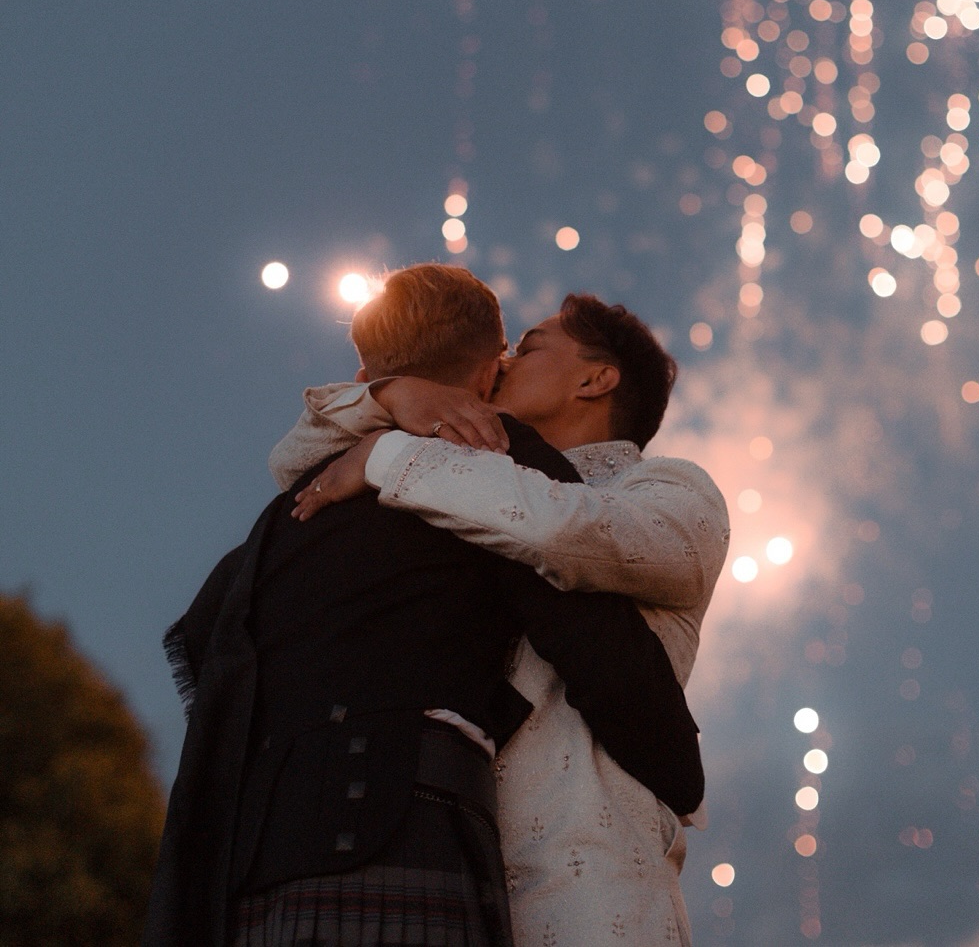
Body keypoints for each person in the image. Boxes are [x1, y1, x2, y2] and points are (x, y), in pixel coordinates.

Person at [144, 265, 705, 947]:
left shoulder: (664, 489)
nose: (500, 363)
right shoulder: (459, 470)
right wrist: (392, 395)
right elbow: (298, 461)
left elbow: (563, 530)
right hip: (442, 851)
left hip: (585, 887)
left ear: (595, 380)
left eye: (527, 348)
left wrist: (386, 451)